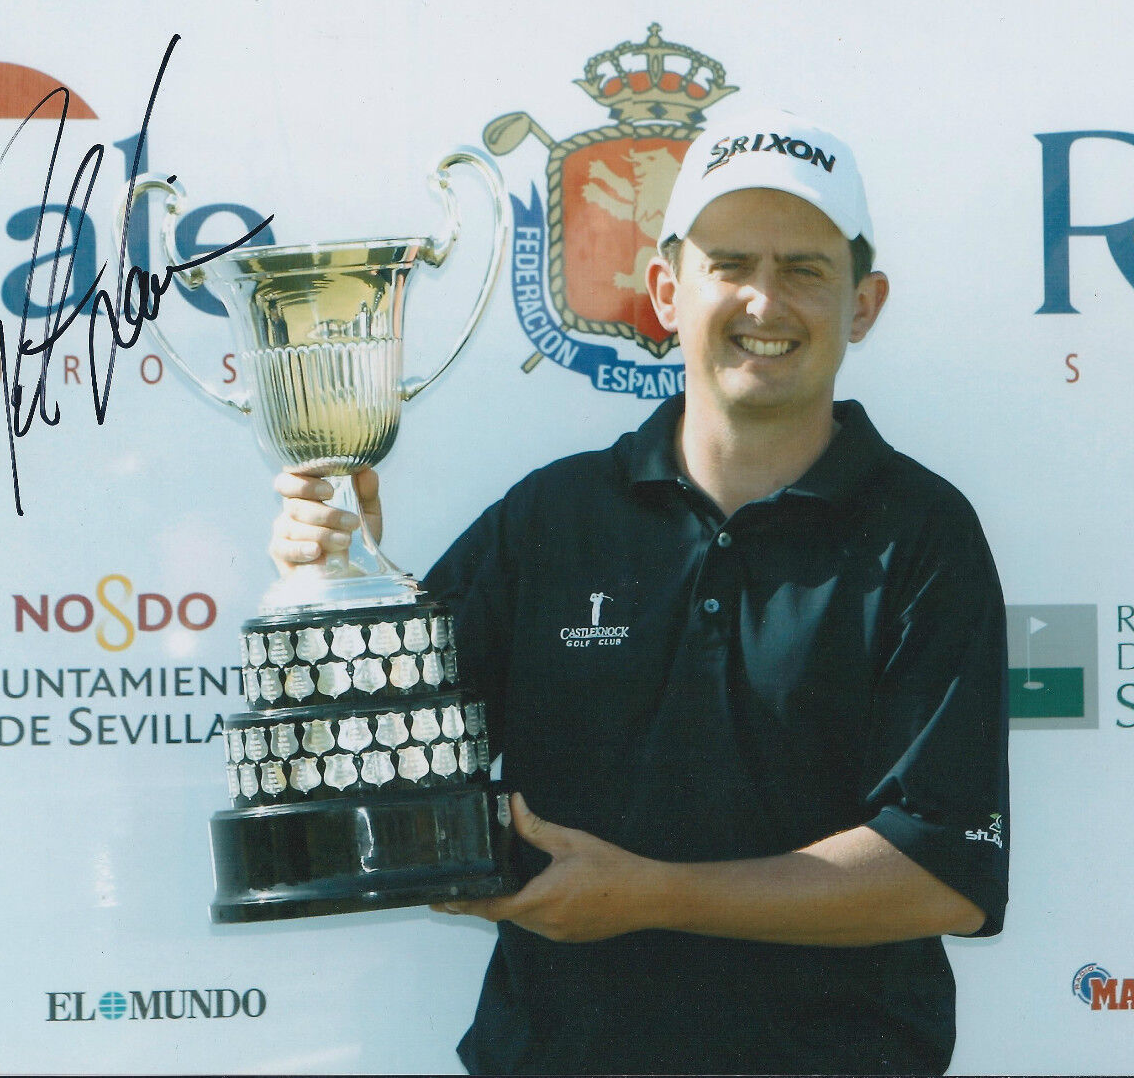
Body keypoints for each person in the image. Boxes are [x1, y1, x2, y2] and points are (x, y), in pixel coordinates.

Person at [269, 110, 1009, 1075]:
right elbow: (381, 772)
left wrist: (654, 892)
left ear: (863, 304)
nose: (763, 300)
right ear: (665, 289)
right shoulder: (550, 517)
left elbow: (939, 875)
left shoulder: (923, 533)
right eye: (729, 263)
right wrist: (334, 591)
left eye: (805, 269)